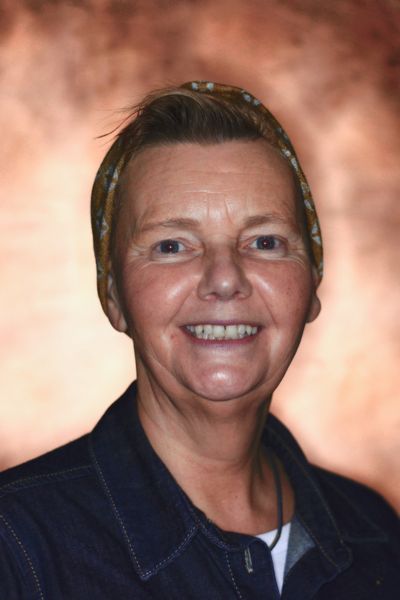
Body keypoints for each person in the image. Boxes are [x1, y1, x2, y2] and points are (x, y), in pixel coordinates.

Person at [0, 80, 398, 599]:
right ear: (114, 296)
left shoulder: (376, 533)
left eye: (265, 241)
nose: (225, 278)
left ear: (312, 287)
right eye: (172, 245)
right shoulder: (19, 546)